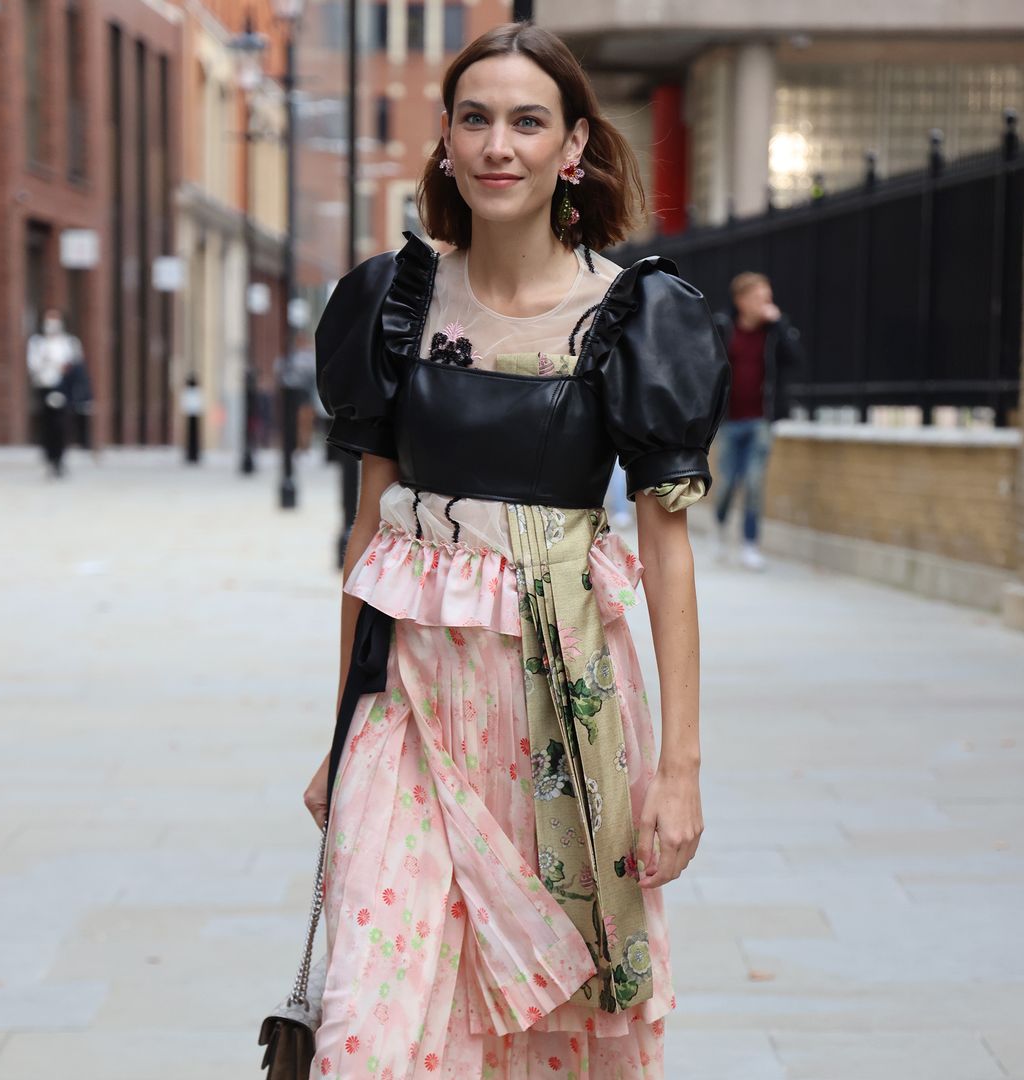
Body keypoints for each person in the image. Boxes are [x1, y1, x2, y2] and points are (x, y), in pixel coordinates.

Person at [304, 23, 730, 1078]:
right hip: (408, 708)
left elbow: (668, 558)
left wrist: (678, 771)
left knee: (545, 1033)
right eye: (477, 119)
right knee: (365, 1024)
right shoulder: (389, 307)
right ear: (447, 142)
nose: (501, 144)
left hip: (562, 711)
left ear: (571, 146)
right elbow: (369, 537)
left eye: (528, 121)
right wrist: (341, 730)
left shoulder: (633, 319)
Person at [711, 273, 803, 571]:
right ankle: (720, 529)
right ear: (741, 299)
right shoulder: (724, 327)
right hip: (729, 421)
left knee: (753, 482)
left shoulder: (774, 331)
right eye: (759, 297)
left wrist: (780, 324)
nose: (766, 303)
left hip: (761, 420)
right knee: (726, 483)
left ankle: (750, 544)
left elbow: (795, 360)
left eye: (768, 297)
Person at [26, 309, 83, 477]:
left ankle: (60, 458)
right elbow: (33, 365)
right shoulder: (38, 342)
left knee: (61, 424)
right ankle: (49, 456)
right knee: (47, 424)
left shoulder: (70, 342)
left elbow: (75, 365)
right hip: (45, 387)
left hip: (63, 388)